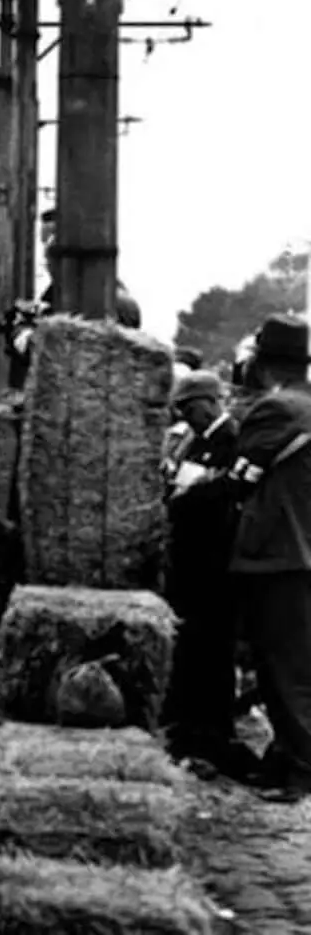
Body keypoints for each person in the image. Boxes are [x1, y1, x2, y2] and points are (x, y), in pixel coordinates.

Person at [226, 314, 311, 801]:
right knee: (294, 665)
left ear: (261, 362)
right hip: (300, 553)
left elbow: (240, 478)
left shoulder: (276, 409)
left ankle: (301, 769)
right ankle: (284, 759)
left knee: (284, 670)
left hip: (279, 553)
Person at [160, 370, 252, 777]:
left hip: (213, 563)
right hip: (193, 561)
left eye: (189, 407)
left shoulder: (230, 441)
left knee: (212, 650)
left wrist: (187, 497)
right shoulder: (196, 442)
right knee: (193, 647)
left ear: (210, 402)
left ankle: (213, 732)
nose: (186, 416)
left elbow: (224, 494)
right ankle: (192, 729)